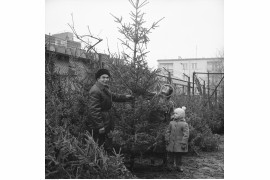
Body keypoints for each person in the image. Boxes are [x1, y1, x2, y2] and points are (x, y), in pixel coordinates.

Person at [85, 68, 134, 151]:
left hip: (106, 118)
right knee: (99, 143)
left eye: (107, 77)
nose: (106, 79)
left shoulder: (104, 88)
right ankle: (98, 162)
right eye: (103, 77)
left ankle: (105, 160)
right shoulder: (95, 91)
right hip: (100, 121)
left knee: (105, 142)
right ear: (98, 78)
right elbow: (94, 110)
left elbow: (113, 96)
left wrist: (125, 97)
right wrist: (100, 126)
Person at [165, 106, 189, 172]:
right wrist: (167, 139)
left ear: (181, 115)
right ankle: (170, 166)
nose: (174, 115)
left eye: (176, 113)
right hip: (171, 143)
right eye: (174, 113)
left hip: (179, 144)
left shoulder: (184, 124)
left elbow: (186, 135)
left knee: (179, 156)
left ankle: (179, 166)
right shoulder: (171, 123)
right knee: (170, 155)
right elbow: (168, 131)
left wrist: (184, 143)